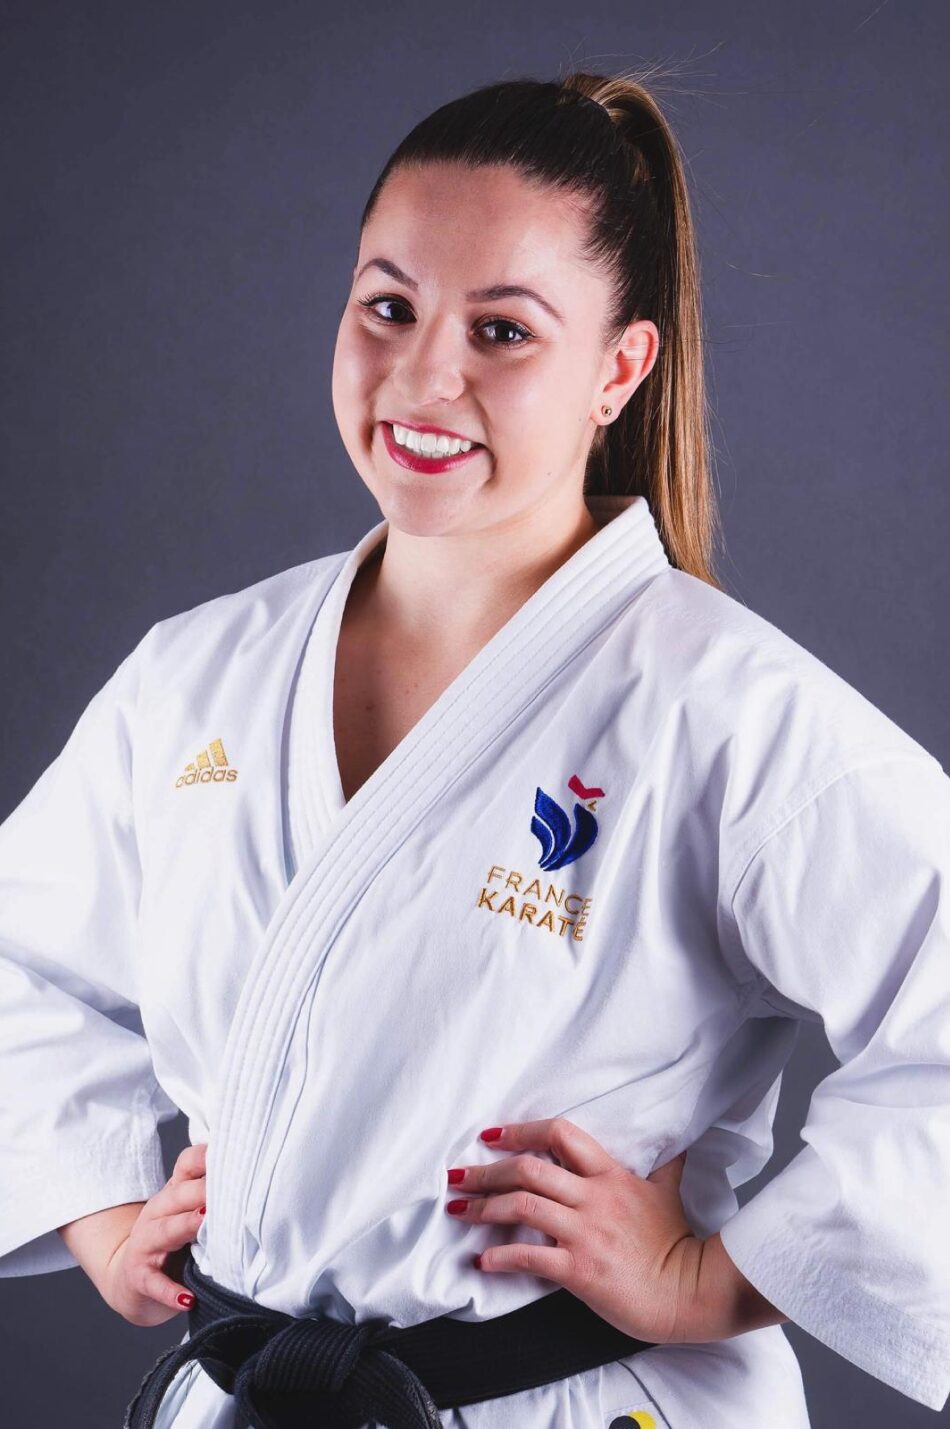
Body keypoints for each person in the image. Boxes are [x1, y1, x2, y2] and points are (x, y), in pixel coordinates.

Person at [0, 69, 948, 1429]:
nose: (422, 376)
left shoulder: (720, 710)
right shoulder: (199, 672)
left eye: (503, 330)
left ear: (618, 368)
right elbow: (19, 957)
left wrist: (708, 1280)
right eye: (387, 307)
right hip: (253, 1397)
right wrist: (96, 1206)